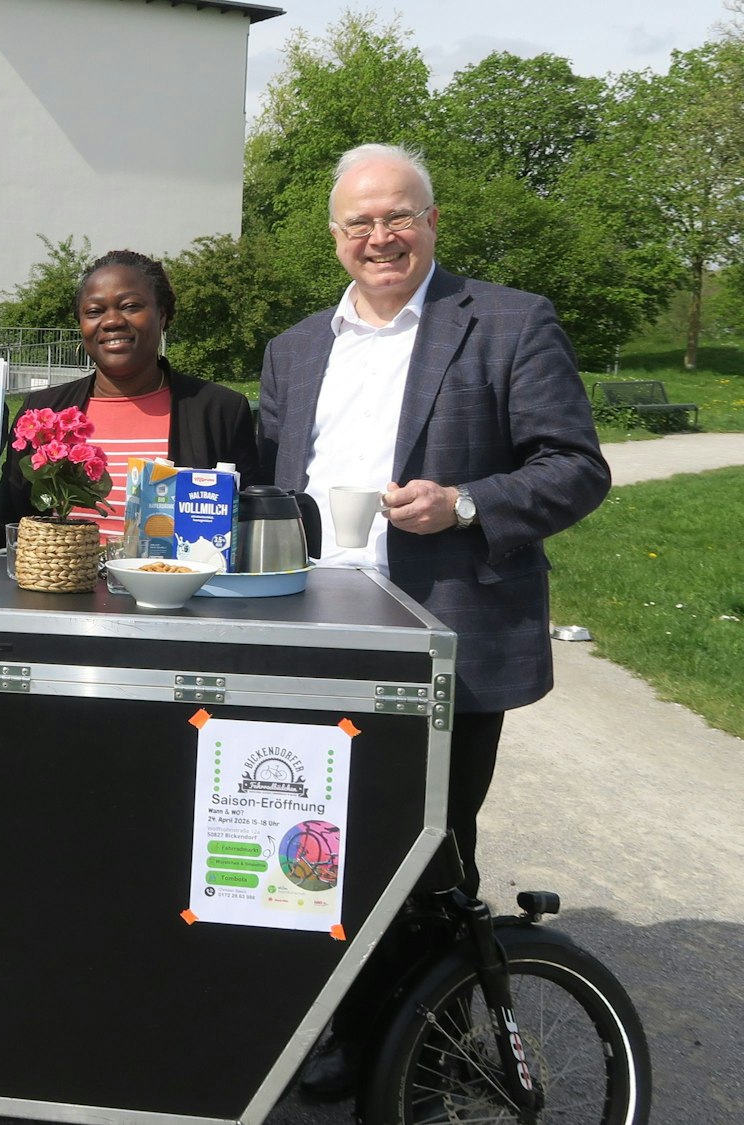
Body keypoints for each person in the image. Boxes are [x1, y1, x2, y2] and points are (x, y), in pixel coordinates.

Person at [258, 142, 609, 1100]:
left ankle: (432, 1053)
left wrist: (463, 502)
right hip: (319, 638)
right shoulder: (295, 349)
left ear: (432, 223)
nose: (380, 236)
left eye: (397, 216)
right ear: (335, 238)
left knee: (433, 858)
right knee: (317, 847)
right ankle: (336, 1034)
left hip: (444, 639)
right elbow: (273, 491)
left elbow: (577, 467)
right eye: (360, 222)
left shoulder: (505, 320)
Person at [0, 250, 261, 537]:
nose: (111, 321)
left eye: (130, 306)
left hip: (174, 581)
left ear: (163, 315)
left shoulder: (220, 411)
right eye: (94, 311)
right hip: (61, 578)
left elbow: (249, 526)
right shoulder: (44, 412)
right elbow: (10, 521)